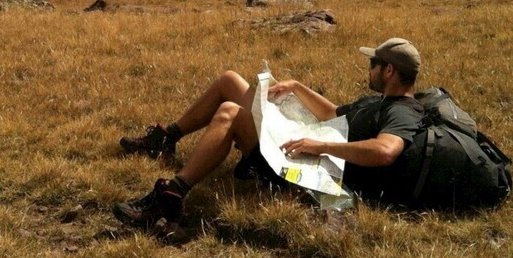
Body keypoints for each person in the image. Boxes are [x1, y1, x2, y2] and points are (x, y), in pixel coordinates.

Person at [113, 38, 425, 230]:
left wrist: (319, 146)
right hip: (305, 143)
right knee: (230, 81)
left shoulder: (402, 111)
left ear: (388, 71)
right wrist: (296, 87)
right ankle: (164, 140)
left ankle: (171, 197)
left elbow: (385, 151)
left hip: (311, 170)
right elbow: (332, 114)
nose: (369, 69)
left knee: (230, 112)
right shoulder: (379, 101)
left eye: (373, 64)